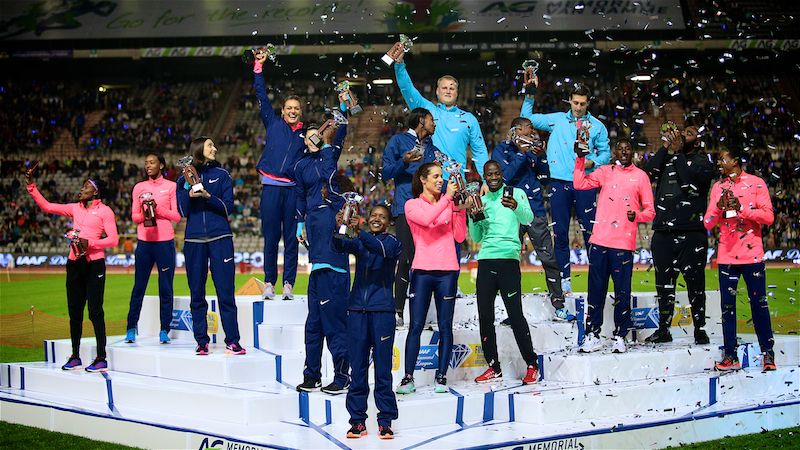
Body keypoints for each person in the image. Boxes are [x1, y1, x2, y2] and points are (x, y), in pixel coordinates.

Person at [521, 78, 610, 294]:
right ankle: (564, 280)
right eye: (575, 102)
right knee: (560, 234)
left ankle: (597, 280)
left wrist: (592, 163)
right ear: (569, 100)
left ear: (588, 103)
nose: (578, 107)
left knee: (591, 234)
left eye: (582, 103)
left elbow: (606, 154)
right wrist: (530, 95)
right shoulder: (556, 120)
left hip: (585, 183)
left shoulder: (597, 127)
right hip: (559, 182)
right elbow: (526, 119)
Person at [26, 173, 118, 372]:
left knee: (95, 311)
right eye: (82, 186)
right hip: (74, 263)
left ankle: (101, 358)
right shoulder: (75, 208)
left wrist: (89, 243)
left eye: (86, 186)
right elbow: (47, 206)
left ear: (96, 192)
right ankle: (75, 356)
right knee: (74, 312)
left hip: (94, 264)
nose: (81, 189)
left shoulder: (105, 212)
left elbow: (113, 240)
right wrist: (32, 187)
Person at [574, 140, 654, 353]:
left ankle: (620, 336)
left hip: (623, 245)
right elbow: (579, 184)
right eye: (620, 149)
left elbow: (650, 211)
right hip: (599, 241)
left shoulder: (641, 176)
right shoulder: (605, 171)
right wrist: (580, 159)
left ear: (632, 152)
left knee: (622, 293)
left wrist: (637, 215)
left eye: (628, 148)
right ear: (615, 153)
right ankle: (592, 335)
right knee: (595, 292)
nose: (624, 152)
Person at [293, 116, 352, 394]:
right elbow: (299, 196)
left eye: (318, 134)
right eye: (309, 136)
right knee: (313, 324)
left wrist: (328, 143)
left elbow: (329, 175)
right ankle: (312, 374)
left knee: (334, 323)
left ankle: (342, 376)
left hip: (334, 264)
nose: (314, 138)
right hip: (316, 262)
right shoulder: (300, 166)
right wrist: (299, 222)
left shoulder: (330, 161)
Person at [397, 163, 467, 395]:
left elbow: (459, 236)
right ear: (423, 179)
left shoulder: (448, 203)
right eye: (435, 176)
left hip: (448, 271)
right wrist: (448, 199)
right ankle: (408, 377)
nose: (440, 180)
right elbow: (427, 220)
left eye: (441, 176)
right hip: (422, 272)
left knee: (445, 326)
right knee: (415, 326)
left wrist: (460, 210)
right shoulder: (412, 205)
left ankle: (442, 376)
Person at [332, 205, 401, 440]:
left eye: (382, 217)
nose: (377, 219)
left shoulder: (392, 242)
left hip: (382, 312)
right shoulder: (361, 242)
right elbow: (338, 245)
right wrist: (341, 225)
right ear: (368, 218)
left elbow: (380, 249)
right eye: (374, 215)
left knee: (383, 370)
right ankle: (357, 421)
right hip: (357, 312)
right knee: (358, 369)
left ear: (389, 222)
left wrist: (359, 231)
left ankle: (385, 421)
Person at [704, 147, 776, 372]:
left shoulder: (756, 183)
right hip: (726, 257)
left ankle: (768, 353)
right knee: (728, 307)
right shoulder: (718, 187)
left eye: (723, 159)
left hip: (752, 256)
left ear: (735, 161)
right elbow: (707, 223)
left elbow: (769, 217)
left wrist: (742, 209)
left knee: (759, 304)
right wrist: (718, 208)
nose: (719, 163)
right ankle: (730, 355)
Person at [470, 160, 541, 385]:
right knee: (485, 317)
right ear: (484, 176)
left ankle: (532, 364)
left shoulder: (516, 193)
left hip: (508, 260)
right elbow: (476, 237)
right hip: (486, 260)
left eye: (496, 173)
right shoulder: (481, 200)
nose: (493, 177)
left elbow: (528, 218)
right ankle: (493, 367)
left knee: (515, 314)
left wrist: (516, 207)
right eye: (488, 174)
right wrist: (473, 216)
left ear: (501, 174)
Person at [491, 117, 567, 320]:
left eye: (532, 129)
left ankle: (559, 305)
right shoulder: (501, 150)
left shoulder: (534, 150)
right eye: (527, 129)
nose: (532, 132)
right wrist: (522, 153)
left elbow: (545, 179)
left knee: (549, 259)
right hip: (510, 212)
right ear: (515, 130)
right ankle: (511, 311)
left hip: (535, 211)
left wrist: (541, 157)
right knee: (509, 262)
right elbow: (504, 177)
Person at [644, 126, 714, 345]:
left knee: (695, 283)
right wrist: (666, 147)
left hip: (691, 232)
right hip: (663, 232)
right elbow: (647, 173)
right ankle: (663, 329)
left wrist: (678, 154)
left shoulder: (703, 163)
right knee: (663, 284)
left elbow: (689, 183)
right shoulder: (668, 157)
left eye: (690, 132)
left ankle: (699, 329)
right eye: (683, 131)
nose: (683, 134)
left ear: (698, 141)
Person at [176, 137, 245, 356]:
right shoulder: (183, 178)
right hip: (194, 241)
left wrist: (207, 196)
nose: (214, 148)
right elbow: (182, 211)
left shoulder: (222, 175)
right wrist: (188, 193)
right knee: (197, 294)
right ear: (199, 149)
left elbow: (228, 208)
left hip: (220, 238)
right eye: (209, 145)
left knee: (226, 293)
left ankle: (233, 341)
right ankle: (201, 342)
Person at [252, 50, 304, 300]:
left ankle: (289, 284)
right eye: (289, 108)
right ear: (282, 111)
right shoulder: (272, 123)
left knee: (291, 240)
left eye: (296, 108)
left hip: (293, 189)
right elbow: (261, 95)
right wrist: (258, 67)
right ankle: (269, 283)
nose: (292, 111)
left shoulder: (307, 135)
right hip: (271, 187)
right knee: (271, 238)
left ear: (300, 112)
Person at [381, 107, 437, 327]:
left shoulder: (432, 147)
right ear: (421, 121)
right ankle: (398, 311)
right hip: (405, 208)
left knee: (425, 261)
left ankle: (420, 311)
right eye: (431, 120)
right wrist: (403, 162)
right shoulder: (398, 141)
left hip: (429, 210)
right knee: (405, 259)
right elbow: (386, 173)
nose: (434, 124)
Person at [392, 52, 489, 181]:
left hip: (456, 184)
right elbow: (407, 89)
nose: (448, 91)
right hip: (430, 184)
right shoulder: (426, 110)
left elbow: (480, 151)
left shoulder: (469, 119)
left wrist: (486, 181)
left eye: (452, 88)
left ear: (457, 93)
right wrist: (399, 64)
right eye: (444, 88)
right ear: (437, 91)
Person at [125, 153, 180, 345]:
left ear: (161, 165)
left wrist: (157, 210)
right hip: (144, 244)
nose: (148, 165)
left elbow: (176, 216)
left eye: (152, 162)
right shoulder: (139, 187)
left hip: (165, 243)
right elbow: (134, 217)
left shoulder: (171, 186)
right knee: (138, 287)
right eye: (146, 163)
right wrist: (145, 213)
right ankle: (131, 328)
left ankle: (164, 329)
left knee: (165, 288)